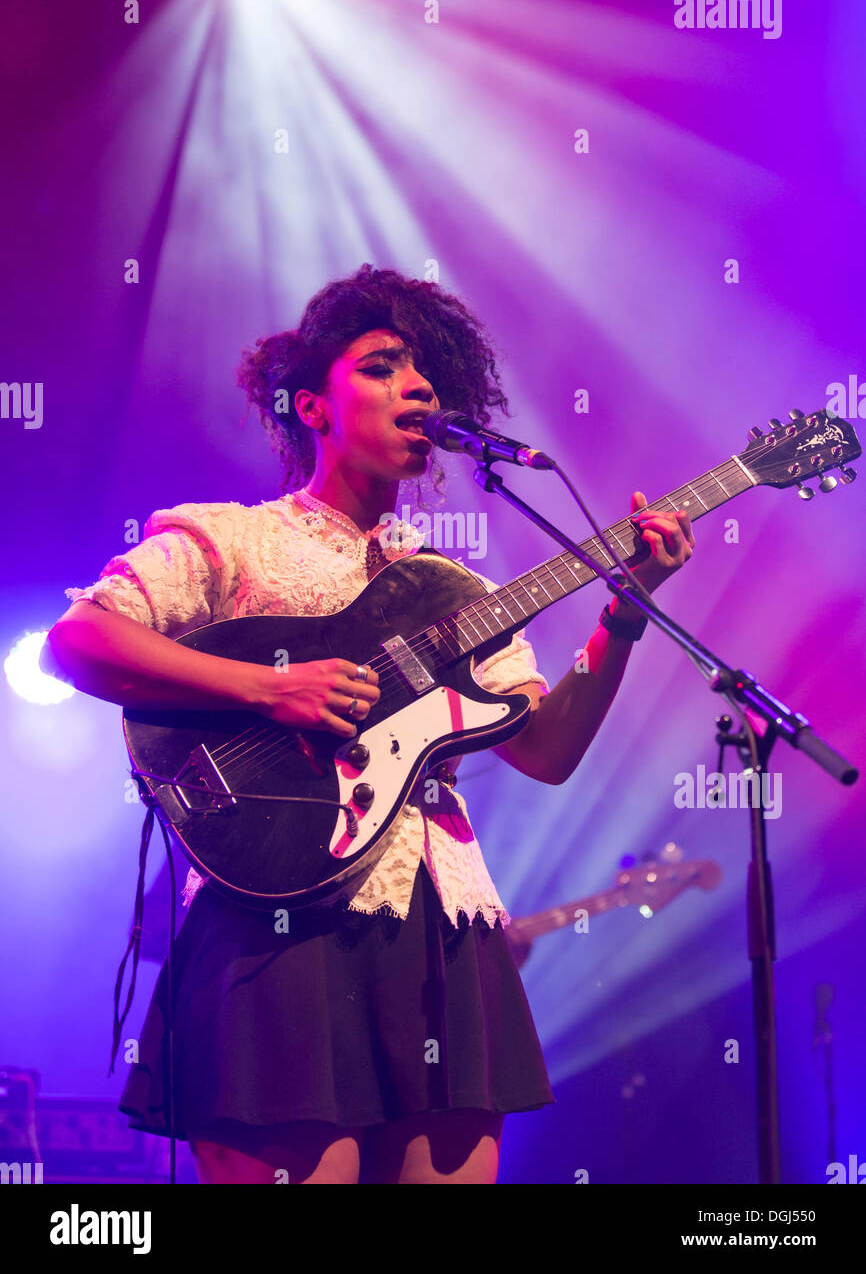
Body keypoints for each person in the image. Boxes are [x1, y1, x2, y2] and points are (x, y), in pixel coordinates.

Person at [43, 264, 694, 1184]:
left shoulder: (456, 592)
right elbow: (79, 643)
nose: (418, 387)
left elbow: (545, 751)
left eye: (427, 374)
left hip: (440, 928)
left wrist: (622, 617)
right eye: (384, 366)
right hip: (276, 921)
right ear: (311, 406)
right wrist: (269, 691)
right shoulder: (229, 539)